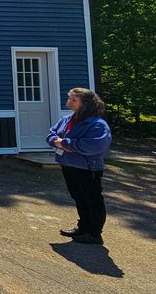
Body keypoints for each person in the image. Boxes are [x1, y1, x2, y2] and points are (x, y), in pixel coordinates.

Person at [47, 87, 112, 245]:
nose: (69, 102)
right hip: (68, 165)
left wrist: (66, 143)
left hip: (87, 168)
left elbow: (95, 145)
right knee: (79, 197)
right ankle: (83, 227)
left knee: (92, 199)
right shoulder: (68, 119)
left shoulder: (96, 124)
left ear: (86, 103)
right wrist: (57, 141)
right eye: (69, 99)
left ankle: (94, 233)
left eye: (73, 100)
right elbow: (51, 134)